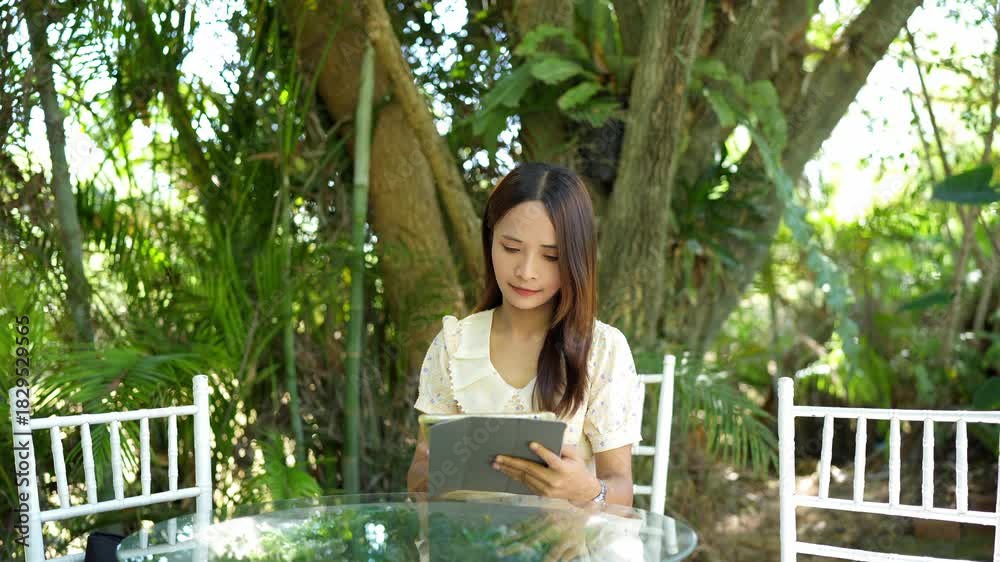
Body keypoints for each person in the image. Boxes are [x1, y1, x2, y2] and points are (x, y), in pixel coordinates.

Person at [406, 162, 644, 507]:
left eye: (551, 256)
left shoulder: (602, 349)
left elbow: (621, 491)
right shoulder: (454, 344)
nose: (526, 271)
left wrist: (588, 491)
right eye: (511, 248)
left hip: (567, 538)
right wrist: (434, 475)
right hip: (471, 534)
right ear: (490, 240)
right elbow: (417, 474)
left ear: (576, 259)